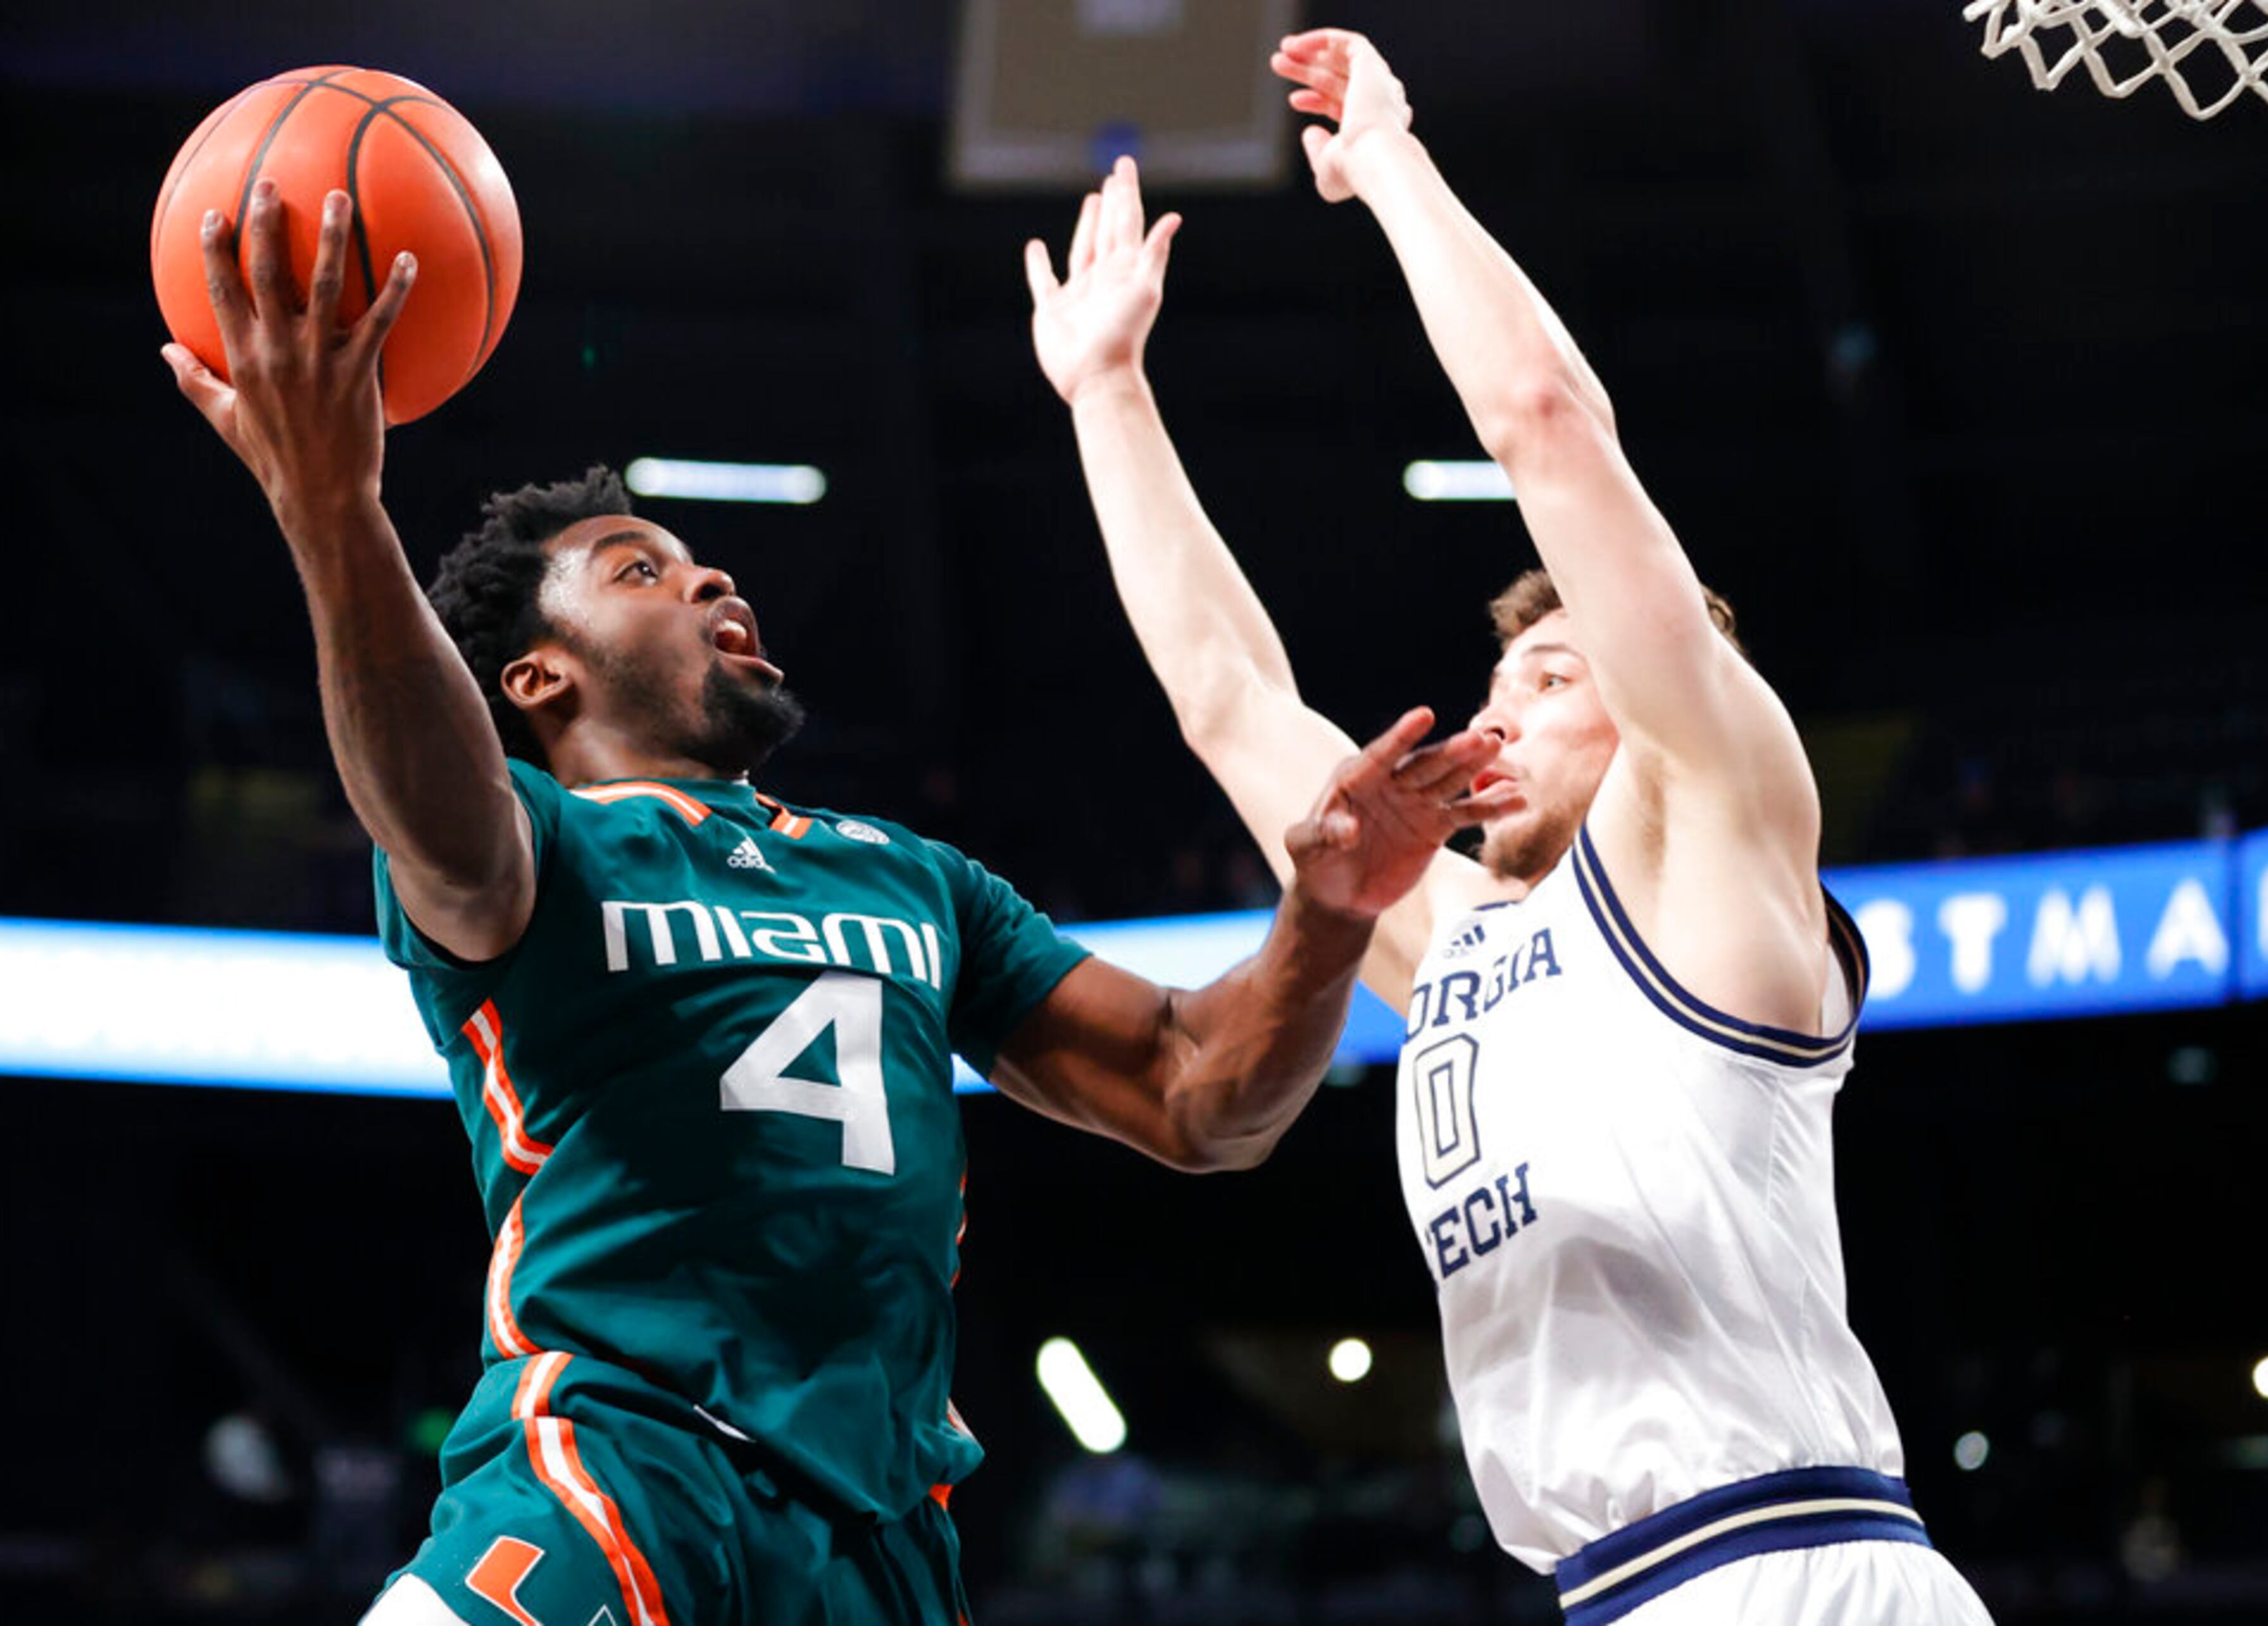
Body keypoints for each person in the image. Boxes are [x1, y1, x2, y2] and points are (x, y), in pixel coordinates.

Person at [159, 177, 1493, 1626]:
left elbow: (1200, 1095)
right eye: (638, 570)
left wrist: (1332, 910)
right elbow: (424, 795)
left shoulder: (913, 882)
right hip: (617, 1473)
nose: (710, 574)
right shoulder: (526, 838)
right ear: (536, 680)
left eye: (694, 558)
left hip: (876, 1540)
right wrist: (333, 506)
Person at [1024, 29, 1995, 1626]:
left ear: (1665, 698)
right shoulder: (1458, 932)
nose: (1497, 711)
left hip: (1796, 1567)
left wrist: (1389, 160)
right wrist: (1108, 392)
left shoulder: (1714, 832)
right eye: (1496, 677)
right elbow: (1226, 700)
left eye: (1550, 673)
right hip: (1614, 1590)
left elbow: (1545, 417)